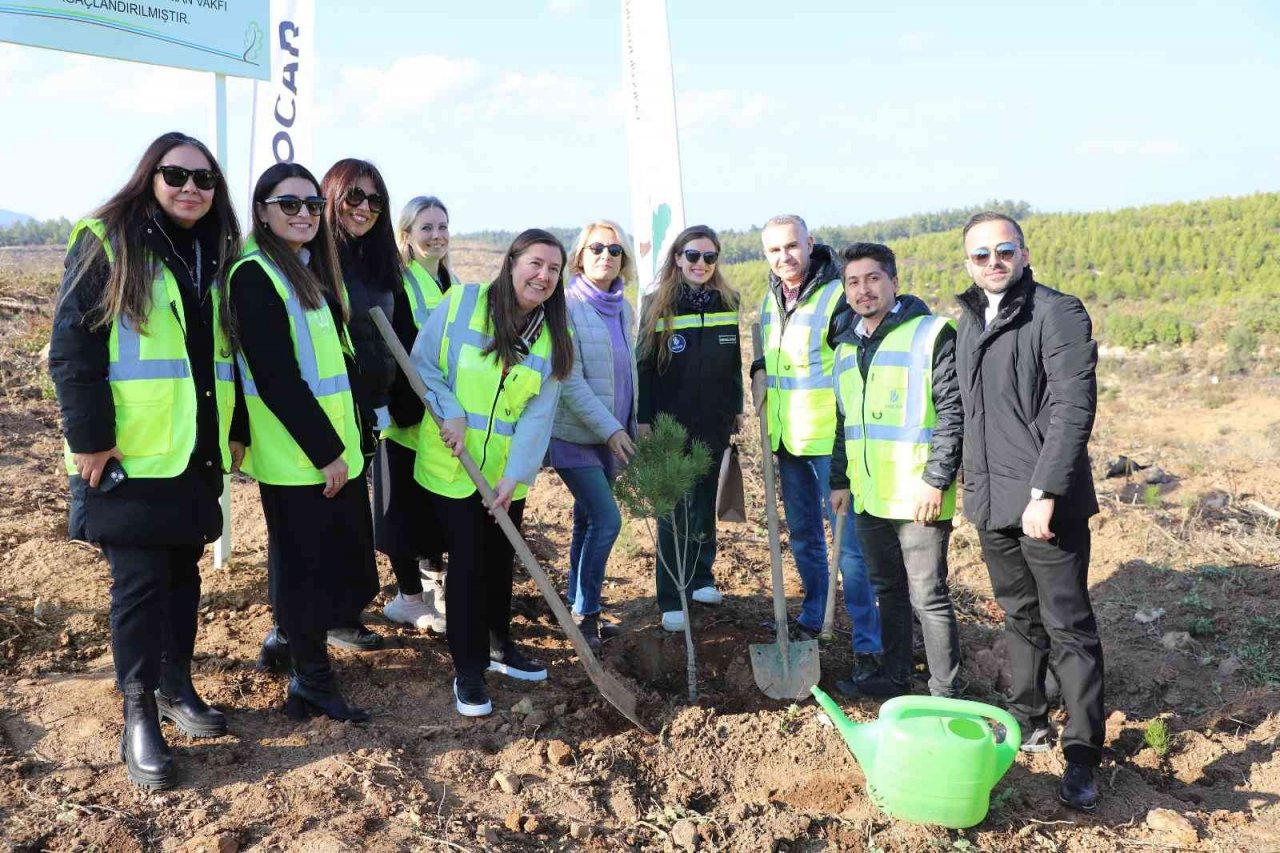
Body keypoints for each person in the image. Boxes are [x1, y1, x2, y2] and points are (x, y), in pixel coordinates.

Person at [49, 131, 241, 789]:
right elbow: (73, 349)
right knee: (137, 584)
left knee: (183, 573)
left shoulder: (211, 253)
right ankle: (138, 713)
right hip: (126, 455)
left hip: (190, 453)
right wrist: (90, 439)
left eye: (204, 180)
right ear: (149, 176)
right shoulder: (106, 241)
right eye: (176, 174)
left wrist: (228, 434)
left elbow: (215, 361)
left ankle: (174, 684)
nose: (191, 187)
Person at [955, 211, 1105, 812]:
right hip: (993, 501)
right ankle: (1027, 719)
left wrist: (1046, 492)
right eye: (981, 254)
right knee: (1018, 617)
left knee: (1068, 625)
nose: (993, 262)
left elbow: (1074, 408)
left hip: (1045, 506)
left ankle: (1082, 754)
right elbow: (966, 412)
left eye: (1004, 251)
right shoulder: (967, 320)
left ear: (1022, 252)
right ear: (967, 262)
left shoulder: (1055, 312)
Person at [228, 162, 377, 723]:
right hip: (299, 459)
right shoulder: (254, 275)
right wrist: (326, 452)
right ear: (262, 211)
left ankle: (288, 641)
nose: (304, 214)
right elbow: (277, 377)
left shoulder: (305, 270)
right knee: (306, 569)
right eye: (288, 204)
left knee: (334, 566)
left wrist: (355, 435)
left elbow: (335, 366)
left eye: (312, 205)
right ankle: (311, 680)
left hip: (332, 451)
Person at [411, 228, 573, 717]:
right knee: (467, 565)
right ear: (512, 262)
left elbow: (536, 415)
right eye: (535, 264)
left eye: (553, 269)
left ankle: (501, 647)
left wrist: (516, 474)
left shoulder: (551, 339)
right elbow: (423, 365)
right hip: (453, 465)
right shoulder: (462, 303)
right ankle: (468, 669)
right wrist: (451, 412)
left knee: (501, 558)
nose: (543, 276)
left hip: (504, 473)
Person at [828, 243, 963, 700]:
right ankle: (895, 677)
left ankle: (945, 693)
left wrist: (936, 480)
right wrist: (839, 480)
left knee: (929, 597)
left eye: (873, 279)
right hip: (868, 495)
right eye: (853, 282)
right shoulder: (846, 347)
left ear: (894, 283)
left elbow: (952, 413)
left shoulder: (931, 334)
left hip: (919, 496)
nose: (863, 290)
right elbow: (846, 420)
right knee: (888, 589)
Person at [750, 215, 882, 677]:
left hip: (830, 442)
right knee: (804, 537)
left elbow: (849, 367)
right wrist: (756, 372)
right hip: (788, 443)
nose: (784, 257)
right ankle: (812, 616)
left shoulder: (834, 297)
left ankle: (869, 644)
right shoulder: (770, 299)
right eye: (773, 250)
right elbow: (769, 356)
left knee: (849, 548)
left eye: (792, 246)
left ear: (809, 243)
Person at [636, 225, 743, 632]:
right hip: (670, 424)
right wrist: (644, 420)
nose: (701, 264)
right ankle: (670, 596)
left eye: (709, 257)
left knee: (703, 503)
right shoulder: (656, 305)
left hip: (714, 421)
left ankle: (700, 577)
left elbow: (732, 361)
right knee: (673, 510)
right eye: (693, 256)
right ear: (678, 258)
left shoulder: (727, 301)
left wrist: (736, 408)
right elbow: (644, 368)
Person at [317, 159, 401, 652]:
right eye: (354, 197)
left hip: (371, 410)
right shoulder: (317, 263)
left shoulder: (380, 262)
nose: (365, 208)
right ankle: (319, 618)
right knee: (328, 515)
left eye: (375, 200)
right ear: (332, 198)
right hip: (330, 411)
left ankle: (344, 610)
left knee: (352, 515)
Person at [549, 219, 639, 651]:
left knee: (587, 520)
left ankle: (576, 605)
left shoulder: (625, 307)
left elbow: (627, 372)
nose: (606, 255)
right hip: (575, 436)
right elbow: (569, 380)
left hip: (613, 435)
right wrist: (611, 429)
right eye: (597, 248)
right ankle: (588, 612)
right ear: (580, 256)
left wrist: (630, 421)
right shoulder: (564, 306)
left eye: (615, 250)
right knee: (607, 520)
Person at [379, 195, 456, 632]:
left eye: (442, 226)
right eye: (426, 227)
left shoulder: (453, 283)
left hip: (442, 416)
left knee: (432, 510)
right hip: (408, 417)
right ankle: (408, 598)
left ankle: (435, 589)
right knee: (403, 513)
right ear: (406, 235)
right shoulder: (400, 284)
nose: (437, 235)